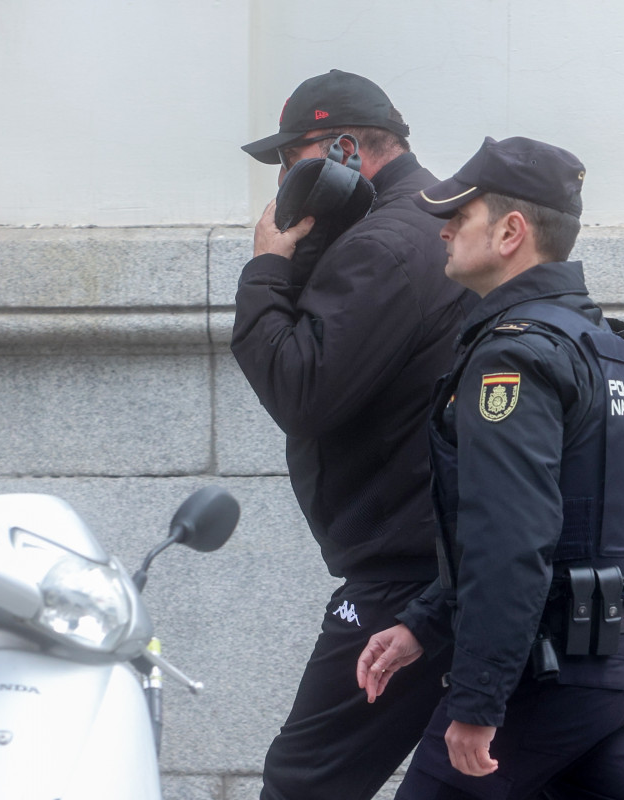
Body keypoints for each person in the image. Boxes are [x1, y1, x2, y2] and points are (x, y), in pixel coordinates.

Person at [355, 136, 624, 799]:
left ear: (511, 231)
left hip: (550, 677)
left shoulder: (512, 359)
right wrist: (423, 624)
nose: (445, 226)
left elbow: (510, 538)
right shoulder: (616, 352)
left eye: (461, 212)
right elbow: (618, 504)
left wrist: (479, 701)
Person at [232, 69, 473, 800]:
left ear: (341, 150)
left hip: (403, 574)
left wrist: (269, 263)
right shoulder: (432, 222)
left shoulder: (385, 245)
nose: (281, 181)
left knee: (305, 778)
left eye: (289, 159)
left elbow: (300, 389)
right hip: (448, 559)